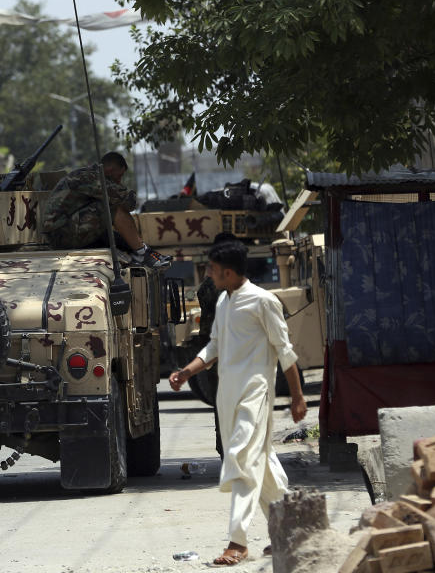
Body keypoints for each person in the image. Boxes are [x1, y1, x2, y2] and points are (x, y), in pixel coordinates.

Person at [169, 240, 308, 566]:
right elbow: (214, 346)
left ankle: (238, 542)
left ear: (228, 272)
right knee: (261, 463)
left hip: (256, 394)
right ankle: (290, 529)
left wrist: (297, 397)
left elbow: (285, 353)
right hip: (228, 396)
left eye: (212, 270)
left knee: (241, 459)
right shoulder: (224, 304)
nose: (208, 275)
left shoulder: (264, 302)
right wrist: (186, 372)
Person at [41, 151, 171, 268]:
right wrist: (121, 190)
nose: (120, 181)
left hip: (66, 231)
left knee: (115, 237)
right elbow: (129, 202)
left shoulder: (87, 175)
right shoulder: (91, 178)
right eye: (119, 176)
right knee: (113, 207)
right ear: (109, 171)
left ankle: (143, 252)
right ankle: (143, 254)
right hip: (61, 234)